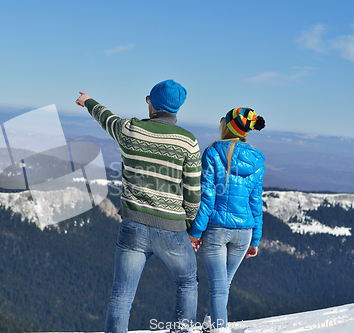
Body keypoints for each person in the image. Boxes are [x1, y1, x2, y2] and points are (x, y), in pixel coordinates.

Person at [76, 80, 203, 333]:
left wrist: (87, 101)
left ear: (151, 104)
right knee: (187, 283)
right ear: (176, 109)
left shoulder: (130, 129)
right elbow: (192, 192)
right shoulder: (188, 142)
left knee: (121, 296)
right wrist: (188, 225)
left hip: (133, 226)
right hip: (172, 228)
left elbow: (106, 118)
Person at [187, 108, 265, 333]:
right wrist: (256, 238)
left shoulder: (212, 152)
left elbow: (207, 197)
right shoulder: (257, 159)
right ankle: (211, 322)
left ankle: (219, 329)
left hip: (217, 229)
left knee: (218, 289)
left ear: (227, 126)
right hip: (245, 231)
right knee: (223, 285)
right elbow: (255, 201)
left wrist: (196, 231)